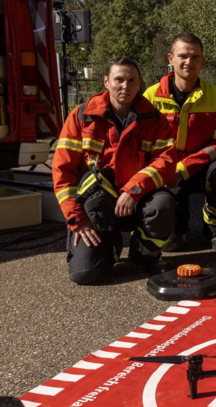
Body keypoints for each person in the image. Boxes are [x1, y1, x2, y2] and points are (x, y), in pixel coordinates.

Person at [53, 57, 177, 285]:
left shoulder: (154, 119)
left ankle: (144, 255)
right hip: (96, 208)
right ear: (106, 82)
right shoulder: (81, 117)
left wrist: (133, 190)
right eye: (118, 80)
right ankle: (111, 245)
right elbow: (63, 172)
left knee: (163, 204)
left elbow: (166, 161)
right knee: (84, 274)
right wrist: (77, 219)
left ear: (139, 84)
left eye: (131, 81)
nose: (125, 86)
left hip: (137, 200)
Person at [144, 34, 216, 251]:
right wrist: (164, 170)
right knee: (172, 245)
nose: (189, 62)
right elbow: (144, 143)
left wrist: (184, 168)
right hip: (166, 168)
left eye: (195, 57)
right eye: (183, 56)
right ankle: (176, 231)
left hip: (202, 167)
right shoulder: (151, 96)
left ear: (202, 61)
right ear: (170, 58)